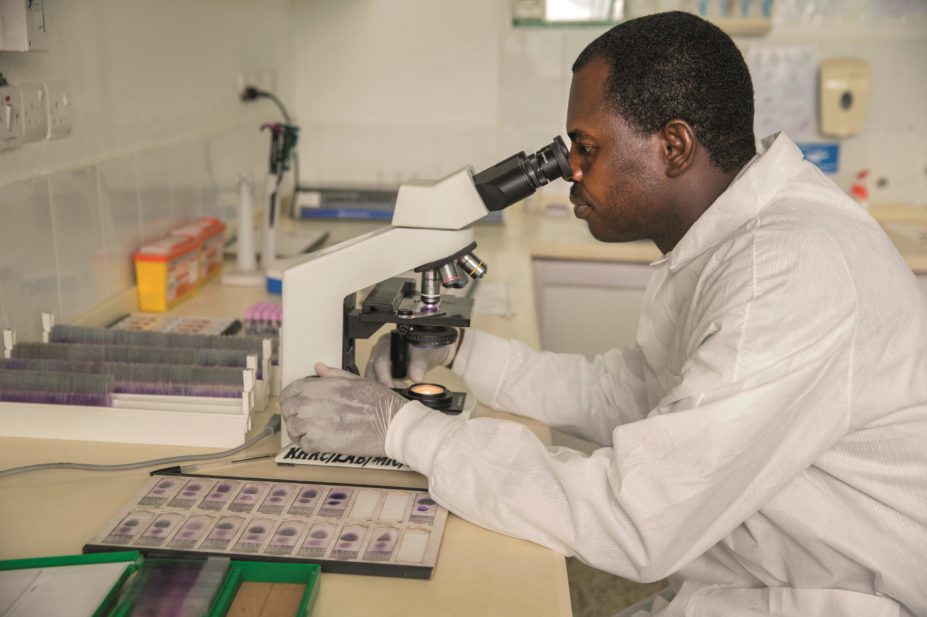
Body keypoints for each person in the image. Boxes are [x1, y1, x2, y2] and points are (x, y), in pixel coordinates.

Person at [281, 11, 927, 617]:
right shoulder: (734, 239)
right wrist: (461, 351)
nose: (571, 173)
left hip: (836, 598)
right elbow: (632, 395)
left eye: (586, 148)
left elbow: (638, 514)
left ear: (673, 146)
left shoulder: (785, 270)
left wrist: (403, 430)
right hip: (755, 576)